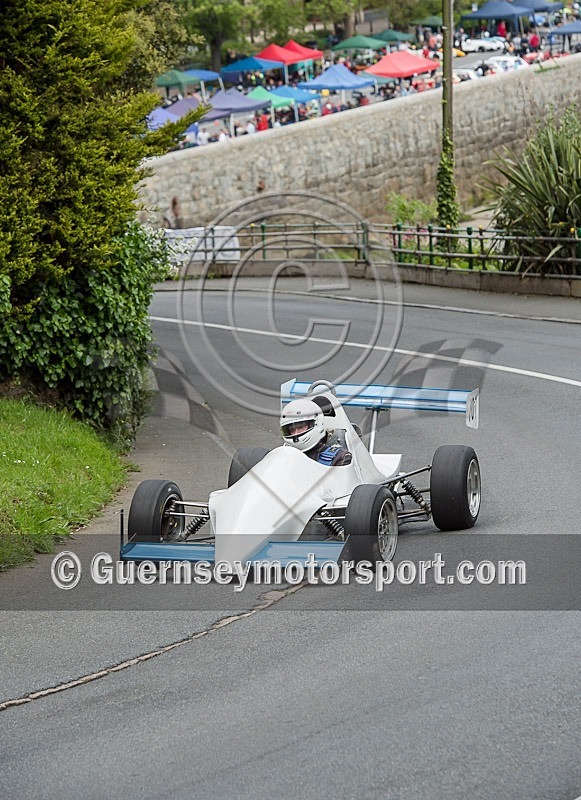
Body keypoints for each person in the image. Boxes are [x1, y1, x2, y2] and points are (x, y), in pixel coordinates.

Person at [280, 399, 352, 466]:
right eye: (292, 429)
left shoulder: (340, 457)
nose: (296, 433)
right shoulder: (283, 457)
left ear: (316, 423)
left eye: (300, 427)